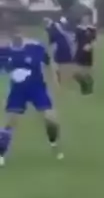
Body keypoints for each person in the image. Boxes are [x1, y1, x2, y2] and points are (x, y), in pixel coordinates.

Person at [0, 24, 63, 166]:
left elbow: (49, 62)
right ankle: (1, 154)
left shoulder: (35, 47)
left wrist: (55, 80)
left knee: (50, 118)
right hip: (17, 91)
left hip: (37, 88)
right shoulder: (4, 52)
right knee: (11, 121)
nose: (17, 37)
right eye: (13, 35)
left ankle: (53, 141)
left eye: (19, 34)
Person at [44, 16, 74, 82]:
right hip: (62, 46)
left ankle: (58, 77)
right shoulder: (58, 27)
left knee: (56, 62)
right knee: (60, 63)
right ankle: (60, 77)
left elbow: (51, 40)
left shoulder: (52, 28)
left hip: (58, 46)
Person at [74, 16, 97, 94]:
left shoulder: (91, 29)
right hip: (79, 52)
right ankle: (85, 85)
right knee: (76, 73)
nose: (85, 20)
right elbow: (75, 41)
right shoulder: (78, 29)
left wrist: (90, 46)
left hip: (88, 53)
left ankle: (87, 89)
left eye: (87, 19)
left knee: (87, 72)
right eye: (84, 19)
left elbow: (94, 40)